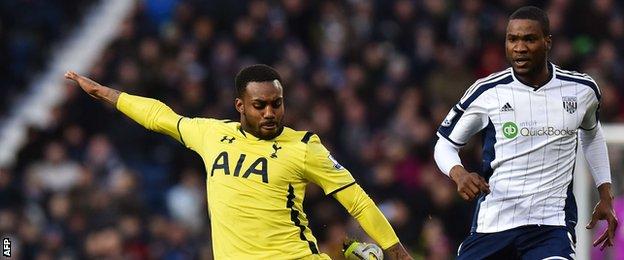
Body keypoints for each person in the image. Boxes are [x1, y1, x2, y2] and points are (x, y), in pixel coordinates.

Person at [65, 64, 412, 259]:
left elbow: (356, 199)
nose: (270, 112)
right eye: (260, 105)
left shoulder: (304, 146)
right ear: (240, 106)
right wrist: (110, 94)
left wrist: (394, 247)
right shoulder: (212, 134)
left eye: (276, 103)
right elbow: (161, 117)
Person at [433, 6, 618, 259]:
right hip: (494, 225)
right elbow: (444, 144)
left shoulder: (581, 90)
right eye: (512, 39)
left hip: (551, 226)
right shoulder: (487, 92)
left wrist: (605, 194)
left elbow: (591, 134)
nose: (519, 48)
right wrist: (459, 174)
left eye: (529, 39)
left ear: (547, 42)